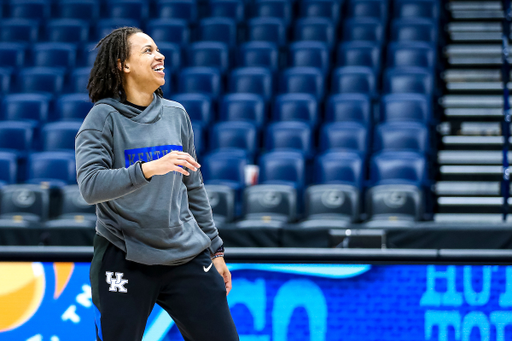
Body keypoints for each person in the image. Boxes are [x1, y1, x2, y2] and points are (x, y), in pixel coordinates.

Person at [75, 27, 239, 341]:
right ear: (122, 64)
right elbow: (91, 186)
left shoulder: (176, 115)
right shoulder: (102, 118)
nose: (160, 55)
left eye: (158, 49)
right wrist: (148, 169)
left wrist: (216, 251)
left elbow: (194, 187)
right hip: (124, 255)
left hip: (186, 255)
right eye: (148, 50)